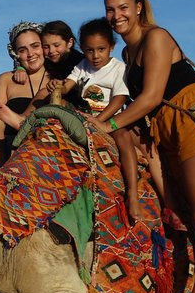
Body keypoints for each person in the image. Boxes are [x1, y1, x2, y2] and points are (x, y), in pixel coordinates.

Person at [89, 0, 195, 293]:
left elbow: (151, 97)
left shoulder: (157, 37)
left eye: (123, 7)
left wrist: (106, 124)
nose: (116, 16)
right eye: (110, 10)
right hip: (169, 129)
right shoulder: (128, 52)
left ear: (139, 6)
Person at [47, 18, 146, 220]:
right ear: (83, 49)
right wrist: (58, 86)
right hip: (86, 117)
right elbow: (68, 85)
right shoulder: (82, 66)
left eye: (101, 49)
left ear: (111, 47)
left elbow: (119, 99)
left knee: (124, 140)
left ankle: (132, 194)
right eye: (90, 50)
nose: (95, 55)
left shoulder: (117, 69)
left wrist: (101, 122)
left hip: (111, 119)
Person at [0, 21, 49, 169]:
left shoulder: (62, 79)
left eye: (35, 46)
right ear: (15, 53)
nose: (30, 54)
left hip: (52, 158)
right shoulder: (5, 80)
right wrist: (1, 168)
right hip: (15, 160)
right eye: (22, 50)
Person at [13, 20, 86, 109]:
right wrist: (20, 68)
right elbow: (30, 61)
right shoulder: (50, 62)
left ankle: (22, 118)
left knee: (44, 93)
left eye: (56, 45)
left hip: (81, 108)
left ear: (70, 43)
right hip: (61, 108)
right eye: (46, 47)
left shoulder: (81, 62)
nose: (51, 51)